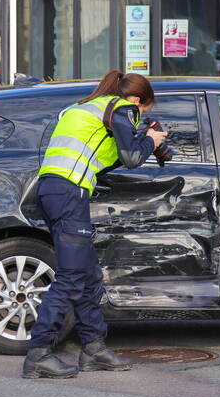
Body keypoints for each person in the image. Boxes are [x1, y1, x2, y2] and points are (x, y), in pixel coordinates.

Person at [23, 71, 167, 379]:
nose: (138, 120)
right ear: (137, 101)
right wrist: (150, 140)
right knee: (72, 277)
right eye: (142, 113)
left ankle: (94, 349)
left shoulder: (85, 109)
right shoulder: (121, 108)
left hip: (52, 190)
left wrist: (144, 141)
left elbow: (106, 159)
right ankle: (38, 353)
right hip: (69, 192)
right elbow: (131, 158)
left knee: (87, 274)